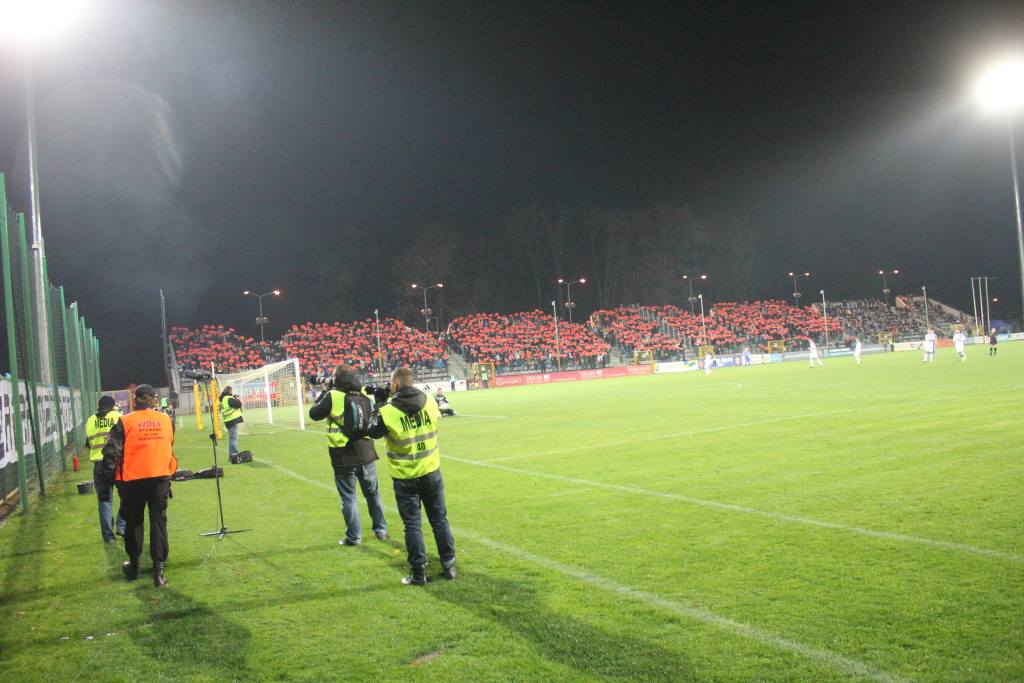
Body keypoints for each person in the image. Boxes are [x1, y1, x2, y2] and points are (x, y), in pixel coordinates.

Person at [366, 367, 456, 585]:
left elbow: (370, 430)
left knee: (413, 526)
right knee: (439, 520)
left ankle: (419, 573)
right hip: (431, 471)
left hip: (405, 476)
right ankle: (449, 566)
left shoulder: (388, 411)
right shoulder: (430, 402)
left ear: (396, 383)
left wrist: (378, 404)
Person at [101, 384, 178, 587]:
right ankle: (159, 570)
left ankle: (134, 566)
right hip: (159, 477)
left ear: (135, 400)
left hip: (133, 480)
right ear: (152, 400)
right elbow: (169, 444)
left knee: (134, 521)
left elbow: (111, 453)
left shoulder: (125, 422)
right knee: (158, 521)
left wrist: (108, 482)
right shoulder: (166, 420)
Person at [308, 365, 388, 546]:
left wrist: (324, 392)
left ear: (337, 378)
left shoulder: (333, 395)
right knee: (373, 494)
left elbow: (314, 414)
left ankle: (354, 537)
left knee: (348, 497)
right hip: (366, 451)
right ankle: (381, 530)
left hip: (343, 454)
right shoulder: (364, 396)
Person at [85, 396, 124, 542]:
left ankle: (108, 536)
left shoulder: (90, 420)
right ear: (113, 406)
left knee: (104, 500)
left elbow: (88, 443)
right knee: (126, 496)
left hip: (99, 465)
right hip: (116, 462)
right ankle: (122, 526)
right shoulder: (118, 416)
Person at [219, 386, 244, 461]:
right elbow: (239, 404)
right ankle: (233, 455)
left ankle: (233, 454)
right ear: (229, 391)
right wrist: (237, 399)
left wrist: (234, 398)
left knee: (233, 438)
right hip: (232, 420)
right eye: (232, 391)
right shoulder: (228, 398)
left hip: (229, 421)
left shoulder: (224, 399)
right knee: (233, 438)